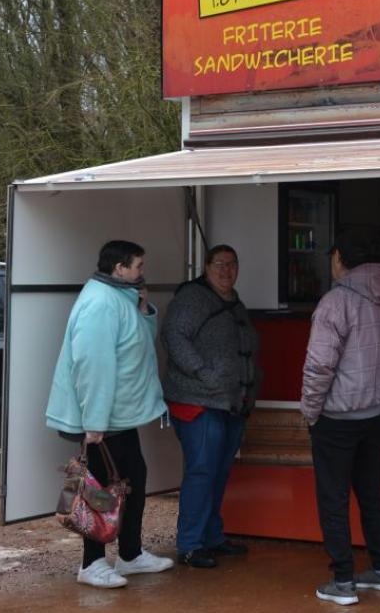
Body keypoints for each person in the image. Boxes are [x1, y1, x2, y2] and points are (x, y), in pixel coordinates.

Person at [45, 240, 174, 589]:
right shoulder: (101, 303)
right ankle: (92, 563)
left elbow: (138, 342)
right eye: (138, 266)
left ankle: (130, 555)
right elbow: (93, 365)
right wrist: (95, 423)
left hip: (119, 415)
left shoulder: (120, 296)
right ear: (119, 268)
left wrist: (145, 310)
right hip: (103, 418)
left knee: (133, 480)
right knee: (99, 490)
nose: (142, 271)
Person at [302, 228, 380, 606]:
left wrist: (311, 410)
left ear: (340, 258)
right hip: (378, 415)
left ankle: (343, 580)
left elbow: (319, 366)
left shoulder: (336, 303)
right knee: (371, 492)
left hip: (338, 416)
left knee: (333, 497)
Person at [162, 244, 262, 569]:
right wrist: (203, 373)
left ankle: (212, 537)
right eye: (219, 264)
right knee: (202, 471)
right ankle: (190, 544)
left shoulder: (235, 301)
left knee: (218, 472)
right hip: (199, 400)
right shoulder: (193, 298)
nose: (226, 270)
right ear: (206, 267)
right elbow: (174, 336)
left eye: (232, 264)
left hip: (231, 402)